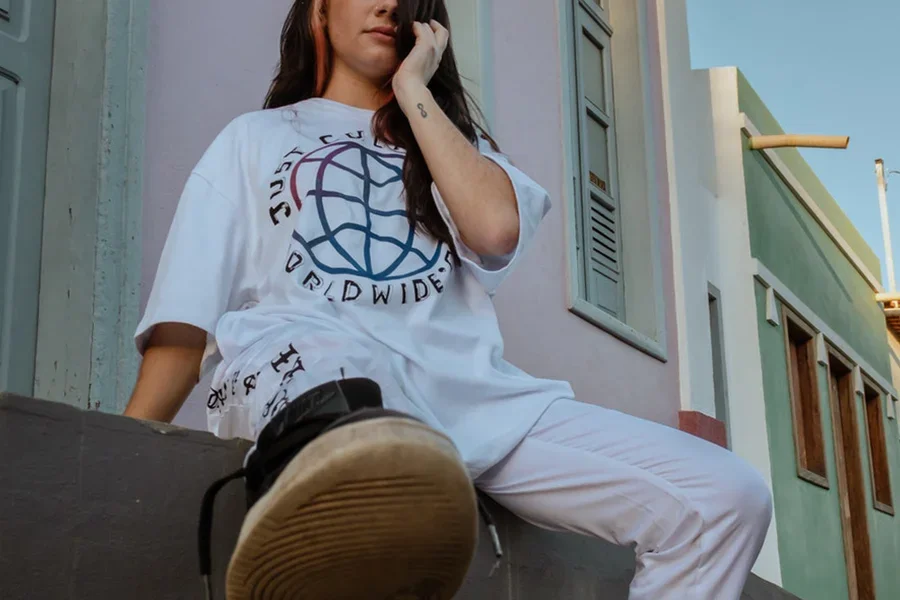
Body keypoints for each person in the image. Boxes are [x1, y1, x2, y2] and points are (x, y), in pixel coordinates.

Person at [125, 1, 774, 599]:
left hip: (471, 399)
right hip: (309, 379)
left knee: (725, 497)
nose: (387, 3)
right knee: (340, 365)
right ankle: (342, 476)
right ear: (318, 11)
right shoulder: (252, 140)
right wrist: (119, 450)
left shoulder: (455, 151)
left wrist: (412, 94)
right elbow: (182, 329)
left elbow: (493, 229)